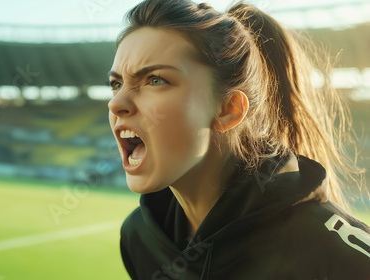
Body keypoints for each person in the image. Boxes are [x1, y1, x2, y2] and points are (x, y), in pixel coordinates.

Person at [106, 0, 370, 279]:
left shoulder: (338, 257)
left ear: (229, 109)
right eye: (116, 84)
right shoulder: (139, 239)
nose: (116, 103)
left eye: (155, 80)